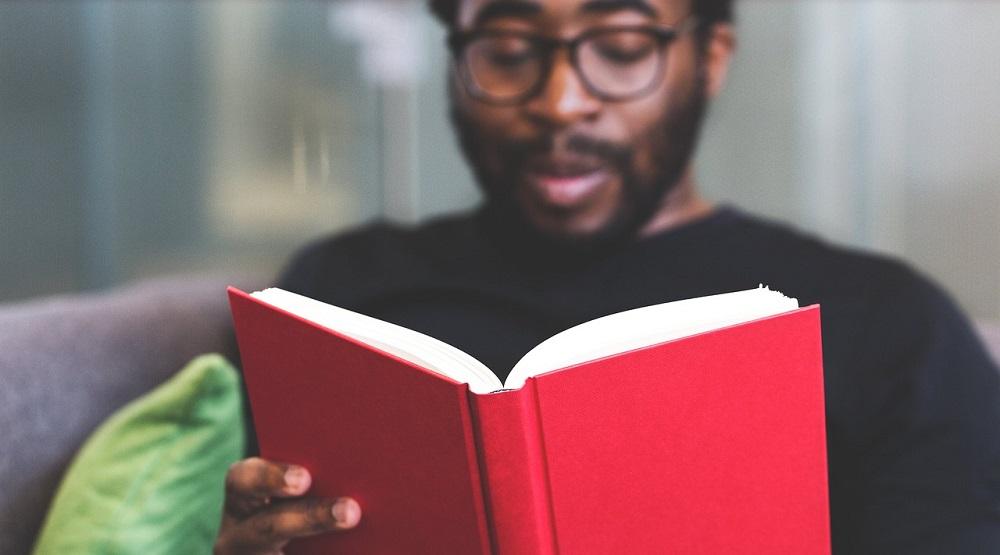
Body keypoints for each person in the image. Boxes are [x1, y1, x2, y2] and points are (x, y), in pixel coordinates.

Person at [213, 0, 1000, 553]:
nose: (561, 103)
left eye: (622, 49)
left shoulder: (890, 323)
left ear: (711, 59)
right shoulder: (338, 293)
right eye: (507, 51)